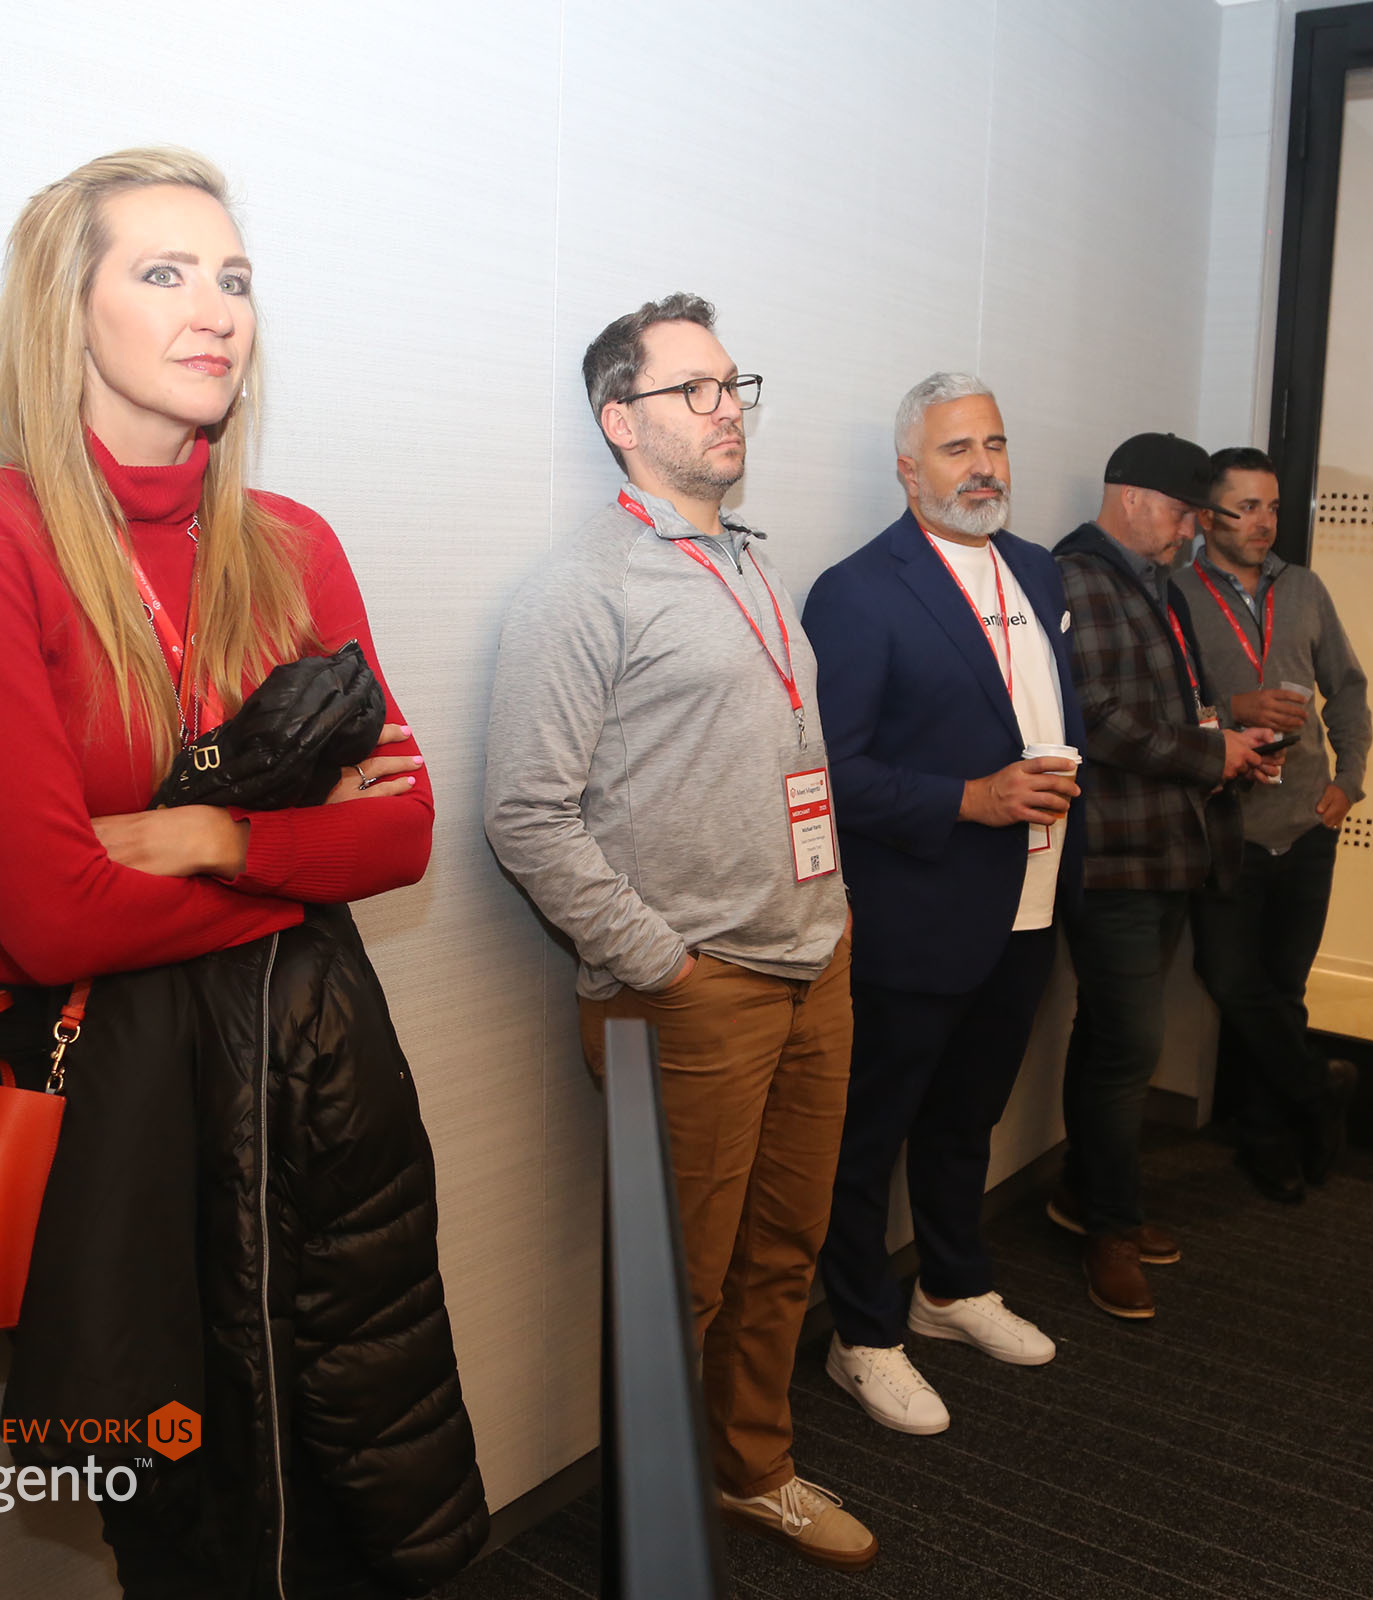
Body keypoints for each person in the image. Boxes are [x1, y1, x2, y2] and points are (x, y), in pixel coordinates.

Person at [0, 149, 485, 1594]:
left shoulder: (291, 544)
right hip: (106, 1092)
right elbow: (51, 917)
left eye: (234, 278)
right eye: (163, 272)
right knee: (180, 1501)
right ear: (67, 308)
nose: (215, 308)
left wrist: (215, 837)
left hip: (299, 1069)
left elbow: (403, 834)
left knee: (337, 1447)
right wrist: (300, 858)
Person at [482, 295, 871, 1571]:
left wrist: (830, 920)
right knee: (676, 1284)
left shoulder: (751, 562)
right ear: (620, 420)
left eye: (732, 384)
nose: (726, 409)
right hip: (691, 995)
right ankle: (651, 1543)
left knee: (784, 1249)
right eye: (692, 390)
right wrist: (665, 967)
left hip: (814, 964)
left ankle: (752, 1470)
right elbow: (527, 814)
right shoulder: (580, 589)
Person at [802, 372, 1079, 1436]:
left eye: (994, 444)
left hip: (1031, 902)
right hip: (917, 910)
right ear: (908, 469)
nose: (984, 466)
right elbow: (830, 770)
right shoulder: (858, 590)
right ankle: (863, 1336)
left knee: (970, 1117)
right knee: (869, 1138)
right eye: (957, 448)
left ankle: (952, 1288)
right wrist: (971, 799)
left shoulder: (1038, 569)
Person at [1051, 434, 1280, 1317]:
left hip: (1168, 846)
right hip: (1114, 855)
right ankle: (1109, 1227)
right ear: (1133, 497)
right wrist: (1207, 753)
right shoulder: (1079, 578)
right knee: (1129, 1048)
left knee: (1112, 1040)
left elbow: (1173, 704)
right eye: (1184, 514)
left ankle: (1086, 1196)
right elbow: (1096, 718)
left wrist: (1228, 741)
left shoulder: (1153, 583)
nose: (1191, 533)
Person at [1174, 447, 1371, 1204]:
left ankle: (1270, 1138)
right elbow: (1162, 708)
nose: (1265, 523)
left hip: (1308, 822)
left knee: (1282, 989)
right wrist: (1233, 710)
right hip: (1226, 825)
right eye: (1247, 507)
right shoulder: (1175, 594)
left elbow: (1347, 689)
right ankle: (1320, 1089)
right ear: (1207, 516)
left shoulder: (1306, 588)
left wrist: (1348, 782)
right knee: (1229, 979)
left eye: (1273, 507)